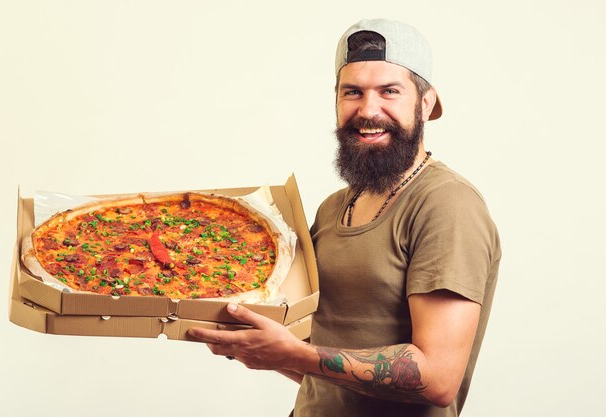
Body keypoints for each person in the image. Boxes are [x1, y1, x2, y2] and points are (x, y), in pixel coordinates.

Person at [189, 18, 501, 417]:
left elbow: (438, 377)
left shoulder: (447, 204)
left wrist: (297, 354)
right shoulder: (336, 206)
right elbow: (325, 368)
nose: (368, 110)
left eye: (390, 91)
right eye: (353, 92)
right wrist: (262, 348)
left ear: (425, 103)